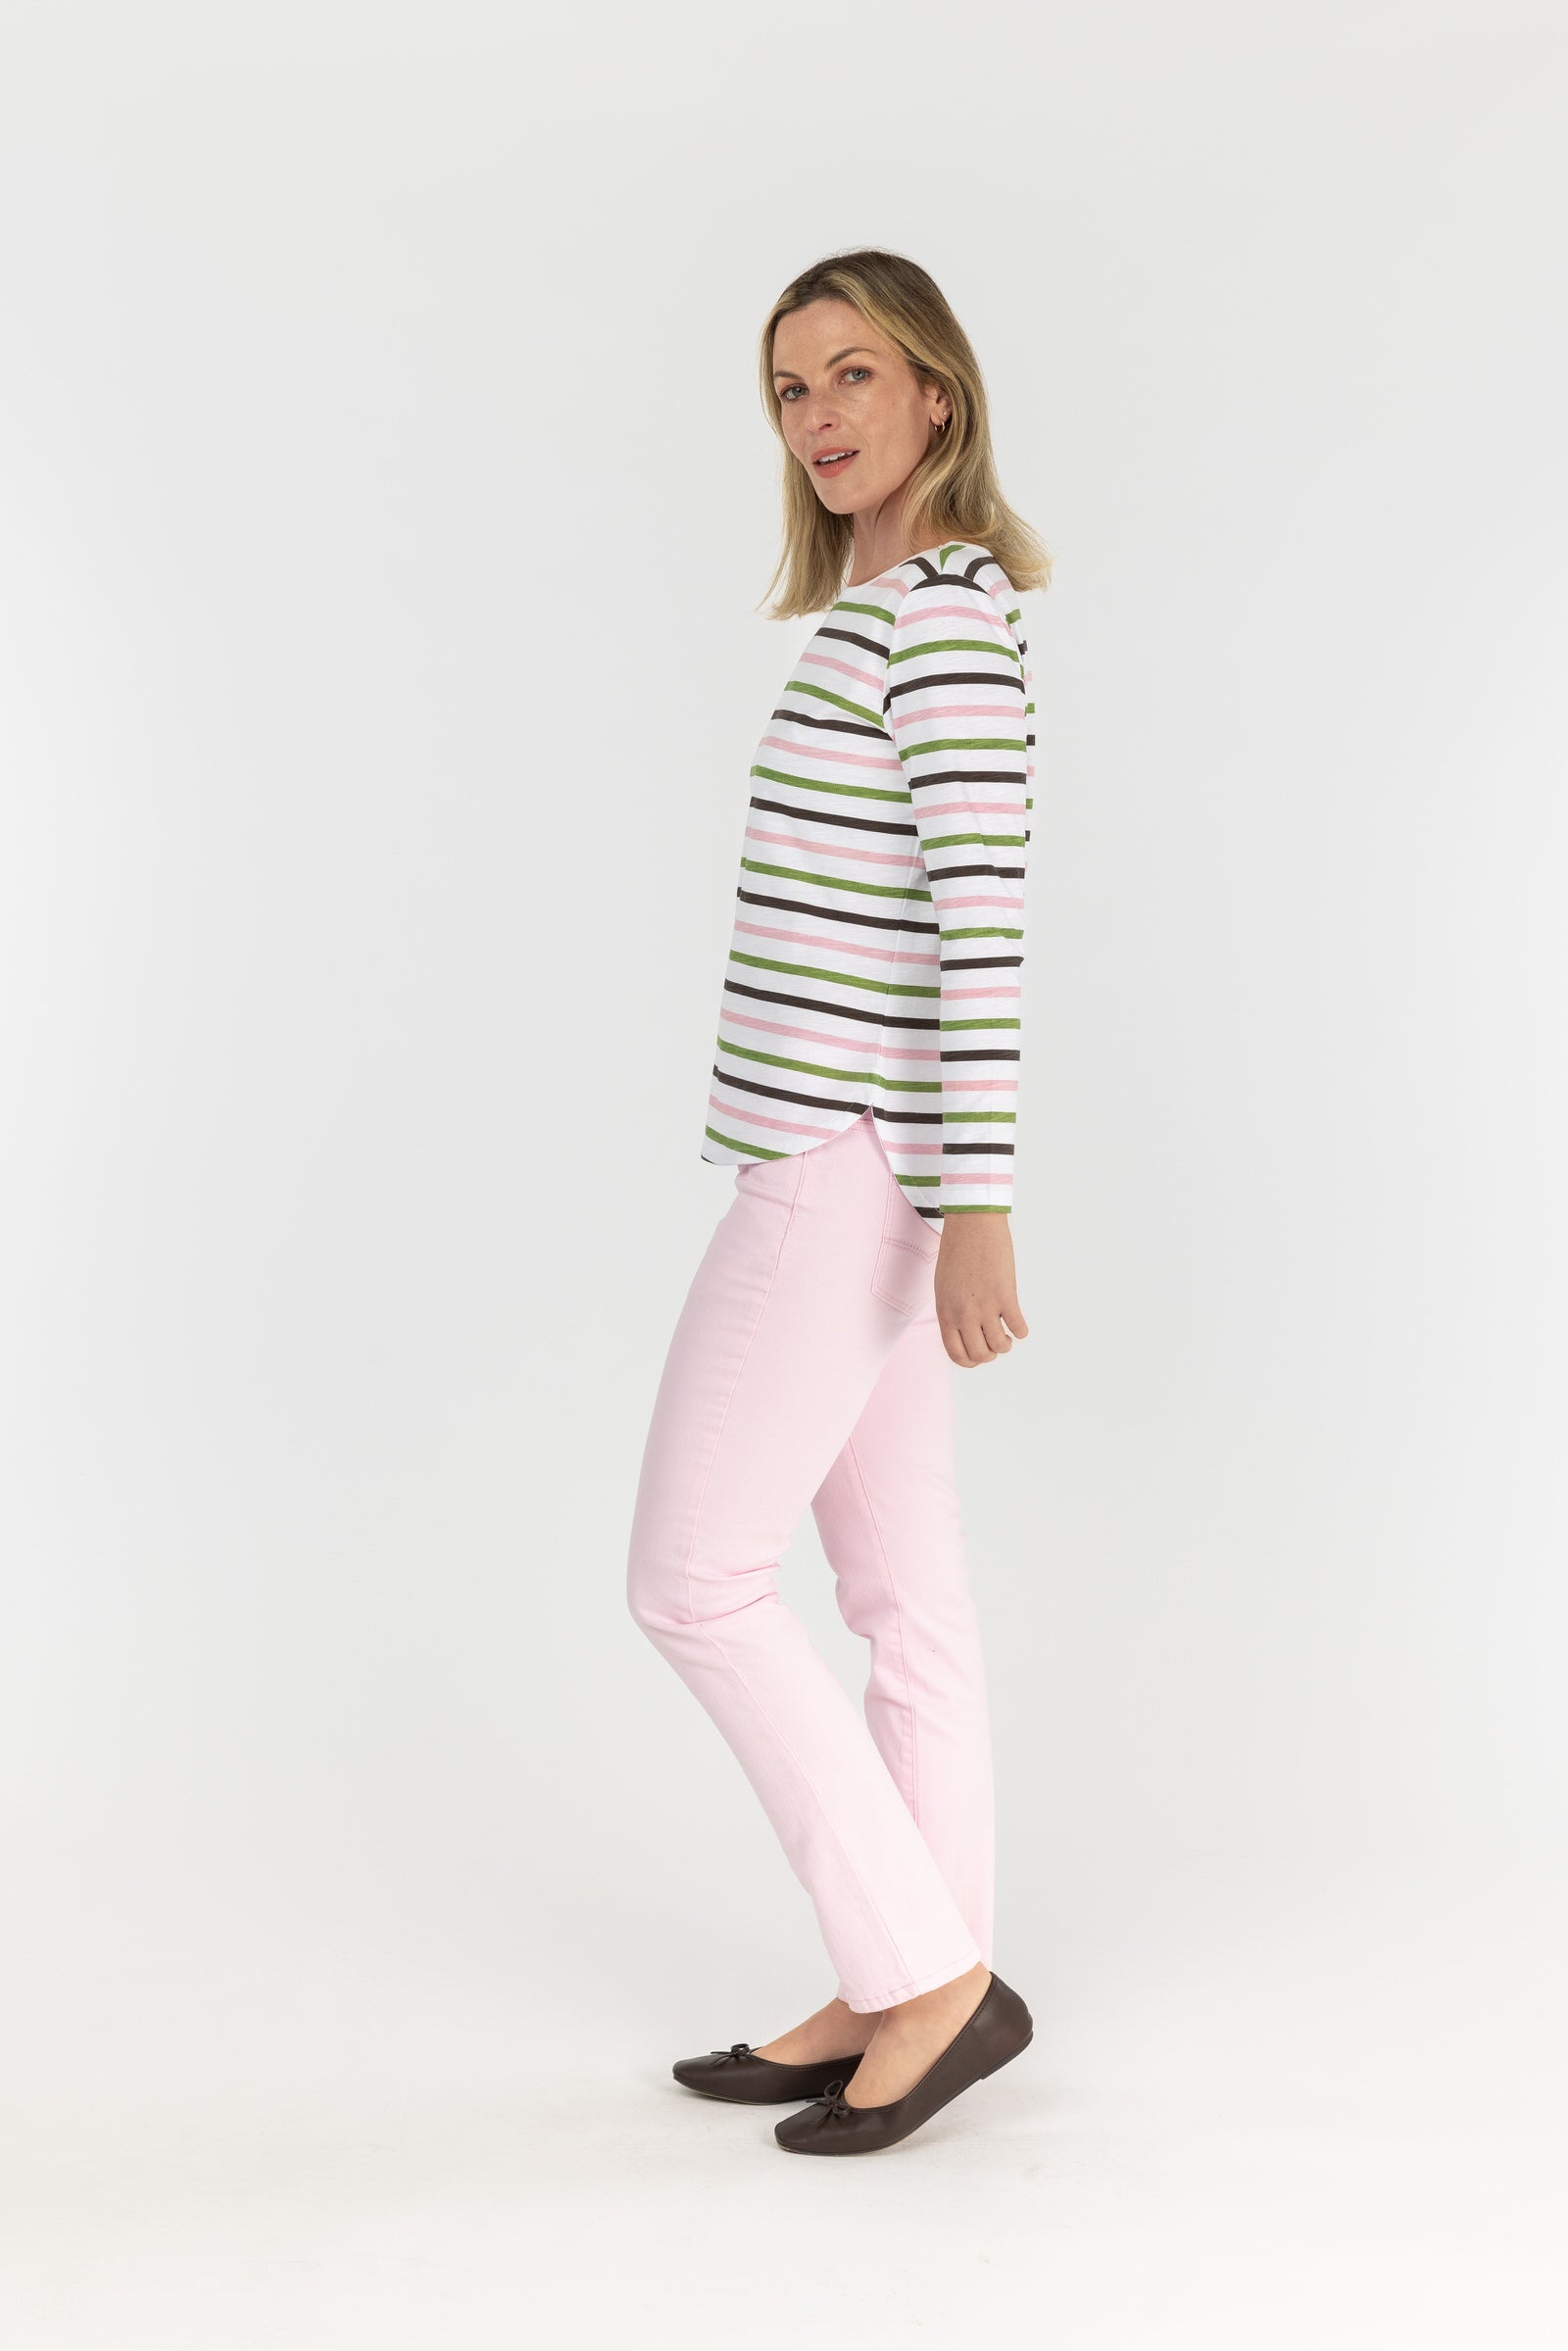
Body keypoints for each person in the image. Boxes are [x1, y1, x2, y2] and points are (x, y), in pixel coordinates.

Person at [625, 247, 1051, 2157]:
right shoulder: (888, 613)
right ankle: (909, 1977)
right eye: (791, 389)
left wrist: (981, 1205)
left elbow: (981, 933)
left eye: (853, 375)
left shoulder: (939, 625)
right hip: (862, 1159)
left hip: (844, 1162)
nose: (818, 417)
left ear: (935, 392)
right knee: (902, 1598)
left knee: (690, 1580)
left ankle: (927, 1974)